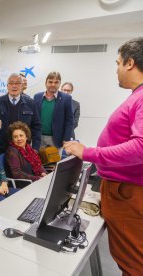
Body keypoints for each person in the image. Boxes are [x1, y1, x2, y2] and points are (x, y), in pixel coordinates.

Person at [63, 37, 143, 275]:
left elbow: (140, 146)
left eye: (118, 63)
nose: (116, 70)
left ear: (130, 63)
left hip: (128, 193)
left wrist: (88, 152)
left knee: (134, 264)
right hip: (123, 190)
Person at [0, 73, 41, 153]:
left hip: (23, 148)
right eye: (11, 83)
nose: (14, 86)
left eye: (17, 83)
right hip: (2, 148)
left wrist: (35, 148)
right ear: (7, 86)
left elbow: (36, 127)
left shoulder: (31, 103)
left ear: (22, 86)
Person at [33, 72, 74, 150]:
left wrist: (66, 139)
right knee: (37, 162)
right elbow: (33, 118)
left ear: (59, 84)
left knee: (55, 162)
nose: (53, 84)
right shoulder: (37, 97)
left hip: (56, 139)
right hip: (38, 138)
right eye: (50, 82)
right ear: (46, 83)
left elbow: (69, 121)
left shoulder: (66, 98)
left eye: (56, 82)